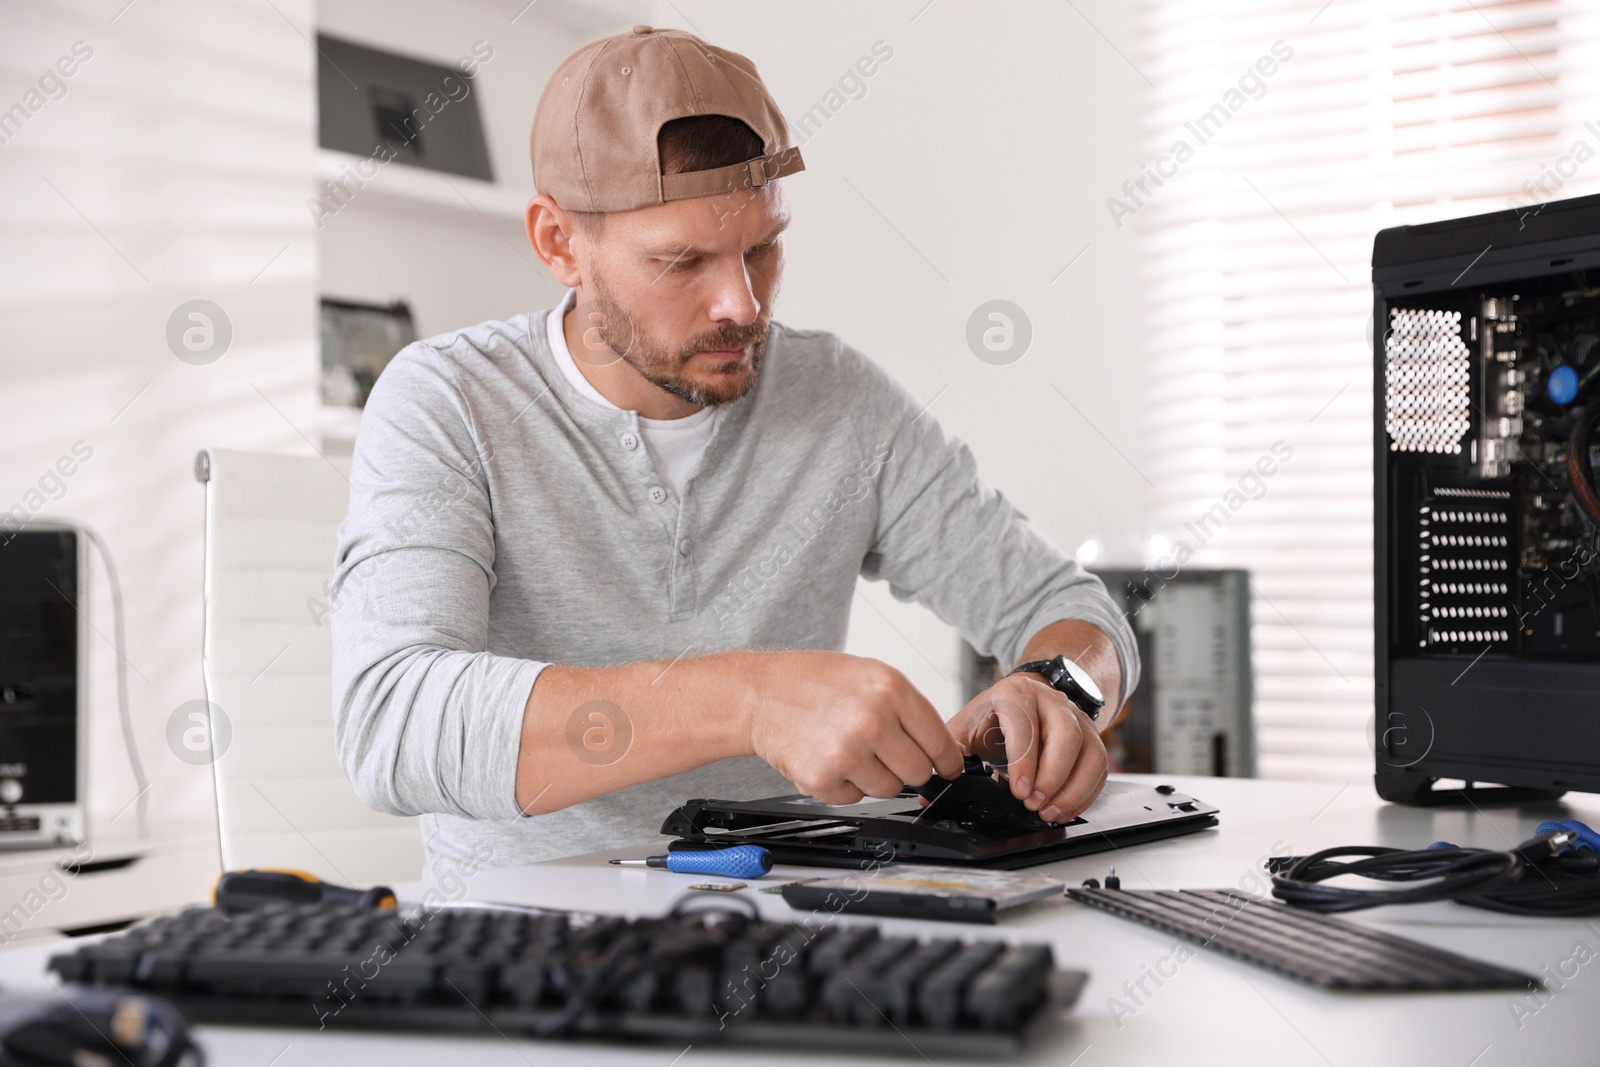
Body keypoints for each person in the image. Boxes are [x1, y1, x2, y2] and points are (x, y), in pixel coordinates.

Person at [330, 25, 1139, 876]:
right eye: (681, 262)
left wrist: (1055, 691)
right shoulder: (448, 401)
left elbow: (1077, 610)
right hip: (521, 949)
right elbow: (392, 722)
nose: (741, 303)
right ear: (559, 243)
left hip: (783, 931)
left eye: (763, 247)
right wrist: (749, 698)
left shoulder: (839, 400)